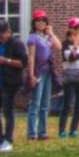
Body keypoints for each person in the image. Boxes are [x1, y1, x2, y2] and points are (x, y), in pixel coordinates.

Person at [0, 19, 27, 153]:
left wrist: (6, 61)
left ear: (8, 32)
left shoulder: (17, 44)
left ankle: (8, 140)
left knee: (8, 112)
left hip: (9, 83)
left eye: (1, 35)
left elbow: (23, 63)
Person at [24, 9, 58, 140]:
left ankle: (42, 132)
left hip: (48, 72)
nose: (41, 22)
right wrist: (31, 75)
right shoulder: (33, 38)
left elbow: (58, 46)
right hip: (38, 72)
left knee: (45, 104)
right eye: (38, 20)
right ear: (34, 23)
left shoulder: (47, 37)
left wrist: (51, 33)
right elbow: (31, 57)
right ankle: (32, 133)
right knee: (35, 104)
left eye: (43, 20)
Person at [58, 19, 79, 138]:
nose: (78, 30)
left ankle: (74, 129)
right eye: (75, 28)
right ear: (70, 29)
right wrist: (75, 45)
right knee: (67, 104)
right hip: (70, 78)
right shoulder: (65, 44)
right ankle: (62, 130)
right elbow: (70, 58)